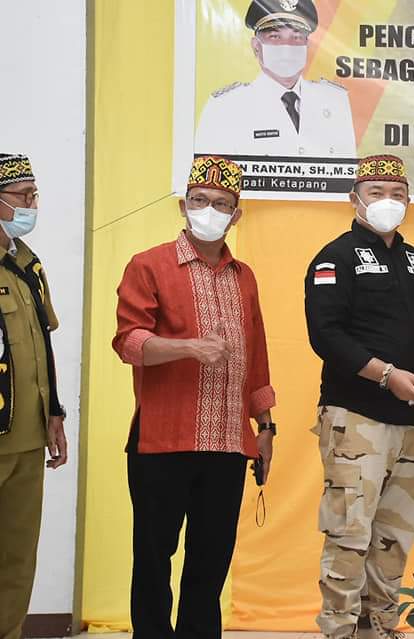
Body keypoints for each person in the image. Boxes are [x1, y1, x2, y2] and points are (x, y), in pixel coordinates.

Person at [113, 156, 276, 639]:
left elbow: (257, 358)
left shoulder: (244, 276)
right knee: (153, 559)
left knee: (210, 562)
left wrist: (266, 427)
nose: (209, 210)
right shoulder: (149, 265)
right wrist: (188, 347)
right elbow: (128, 342)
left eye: (221, 204)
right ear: (183, 206)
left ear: (236, 215)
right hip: (162, 441)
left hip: (227, 443)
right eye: (199, 200)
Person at [305, 154, 414, 639]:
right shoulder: (335, 258)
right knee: (349, 534)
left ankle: (379, 628)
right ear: (355, 199)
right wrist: (385, 375)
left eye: (397, 194)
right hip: (357, 417)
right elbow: (326, 335)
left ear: (409, 201)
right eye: (376, 192)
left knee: (394, 538)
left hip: (412, 422)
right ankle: (340, 630)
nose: (388, 202)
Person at [0, 154, 67, 639]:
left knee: (17, 557)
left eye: (34, 195)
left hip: (26, 436)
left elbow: (41, 344)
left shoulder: (26, 264)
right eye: (23, 196)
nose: (32, 205)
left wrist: (55, 413)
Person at [195, 0, 357, 158]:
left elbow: (348, 171)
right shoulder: (226, 107)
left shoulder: (334, 101)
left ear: (307, 45)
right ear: (256, 46)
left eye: (296, 37)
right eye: (275, 36)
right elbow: (209, 175)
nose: (287, 46)